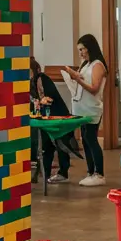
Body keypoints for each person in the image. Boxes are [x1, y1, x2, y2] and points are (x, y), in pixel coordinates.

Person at [63, 34, 108, 186]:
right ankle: (90, 171)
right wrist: (74, 77)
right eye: (79, 50)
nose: (81, 53)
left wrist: (78, 79)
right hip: (82, 106)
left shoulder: (97, 65)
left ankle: (99, 173)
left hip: (91, 108)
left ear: (90, 47)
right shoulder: (86, 64)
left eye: (82, 49)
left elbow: (94, 88)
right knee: (85, 139)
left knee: (91, 139)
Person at [29, 56, 82, 184]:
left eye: (28, 71)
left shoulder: (43, 79)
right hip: (44, 118)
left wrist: (41, 101)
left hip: (57, 116)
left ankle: (63, 173)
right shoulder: (29, 83)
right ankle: (46, 173)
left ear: (35, 70)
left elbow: (50, 96)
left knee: (61, 144)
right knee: (46, 146)